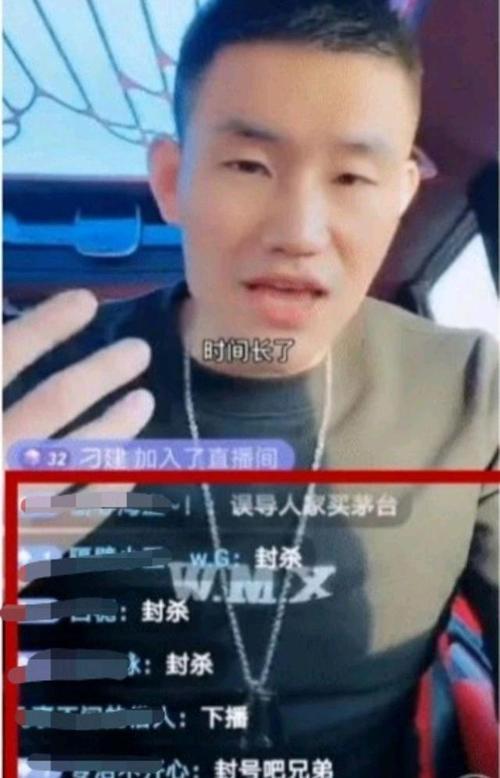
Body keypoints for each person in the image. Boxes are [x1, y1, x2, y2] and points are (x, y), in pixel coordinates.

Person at [5, 1, 498, 776]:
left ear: (402, 193)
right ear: (172, 180)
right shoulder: (37, 394)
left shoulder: (472, 394)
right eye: (248, 166)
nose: (298, 231)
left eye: (352, 176)